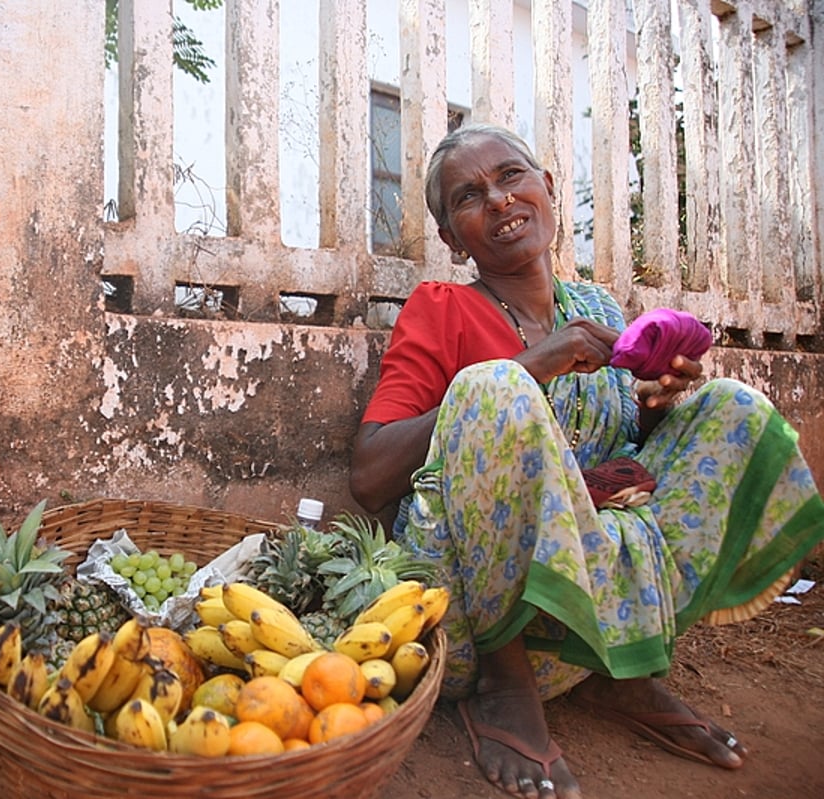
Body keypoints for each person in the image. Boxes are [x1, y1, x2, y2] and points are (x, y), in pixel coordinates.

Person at [349, 122, 824, 799]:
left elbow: (626, 452)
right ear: (453, 241)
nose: (500, 200)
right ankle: (506, 691)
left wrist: (662, 402)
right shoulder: (443, 308)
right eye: (469, 196)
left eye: (512, 176)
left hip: (591, 617)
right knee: (494, 388)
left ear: (547, 187)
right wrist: (531, 365)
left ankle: (622, 673)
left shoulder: (598, 309)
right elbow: (369, 478)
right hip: (467, 632)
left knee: (729, 407)